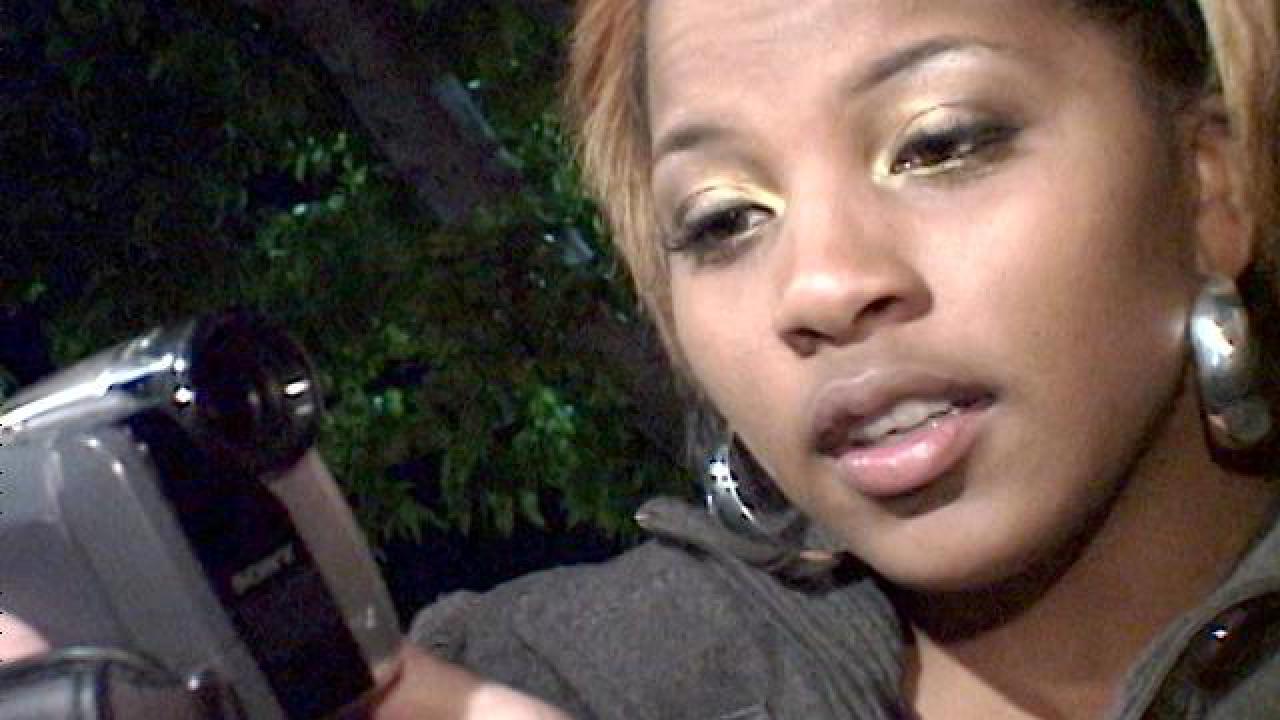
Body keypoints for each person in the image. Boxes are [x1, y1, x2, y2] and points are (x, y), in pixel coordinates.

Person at [4, 0, 1280, 717]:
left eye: (938, 142)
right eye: (722, 221)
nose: (821, 286)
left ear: (1207, 182)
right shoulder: (553, 676)